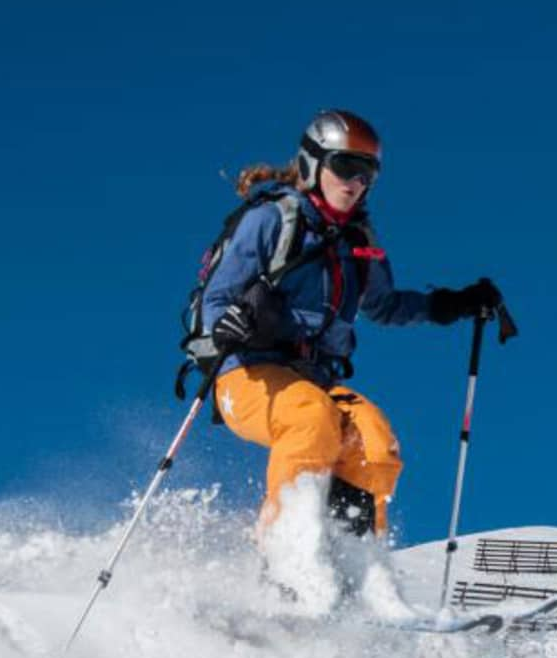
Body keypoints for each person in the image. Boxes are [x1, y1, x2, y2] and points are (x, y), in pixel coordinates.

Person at [202, 109, 497, 543]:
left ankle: (354, 569)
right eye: (345, 166)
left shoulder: (356, 241)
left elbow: (385, 306)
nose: (355, 181)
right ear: (312, 164)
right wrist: (231, 323)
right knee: (311, 419)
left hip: (311, 378)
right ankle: (284, 555)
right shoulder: (272, 220)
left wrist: (450, 304)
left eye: (367, 172)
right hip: (246, 372)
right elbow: (217, 295)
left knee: (374, 441)